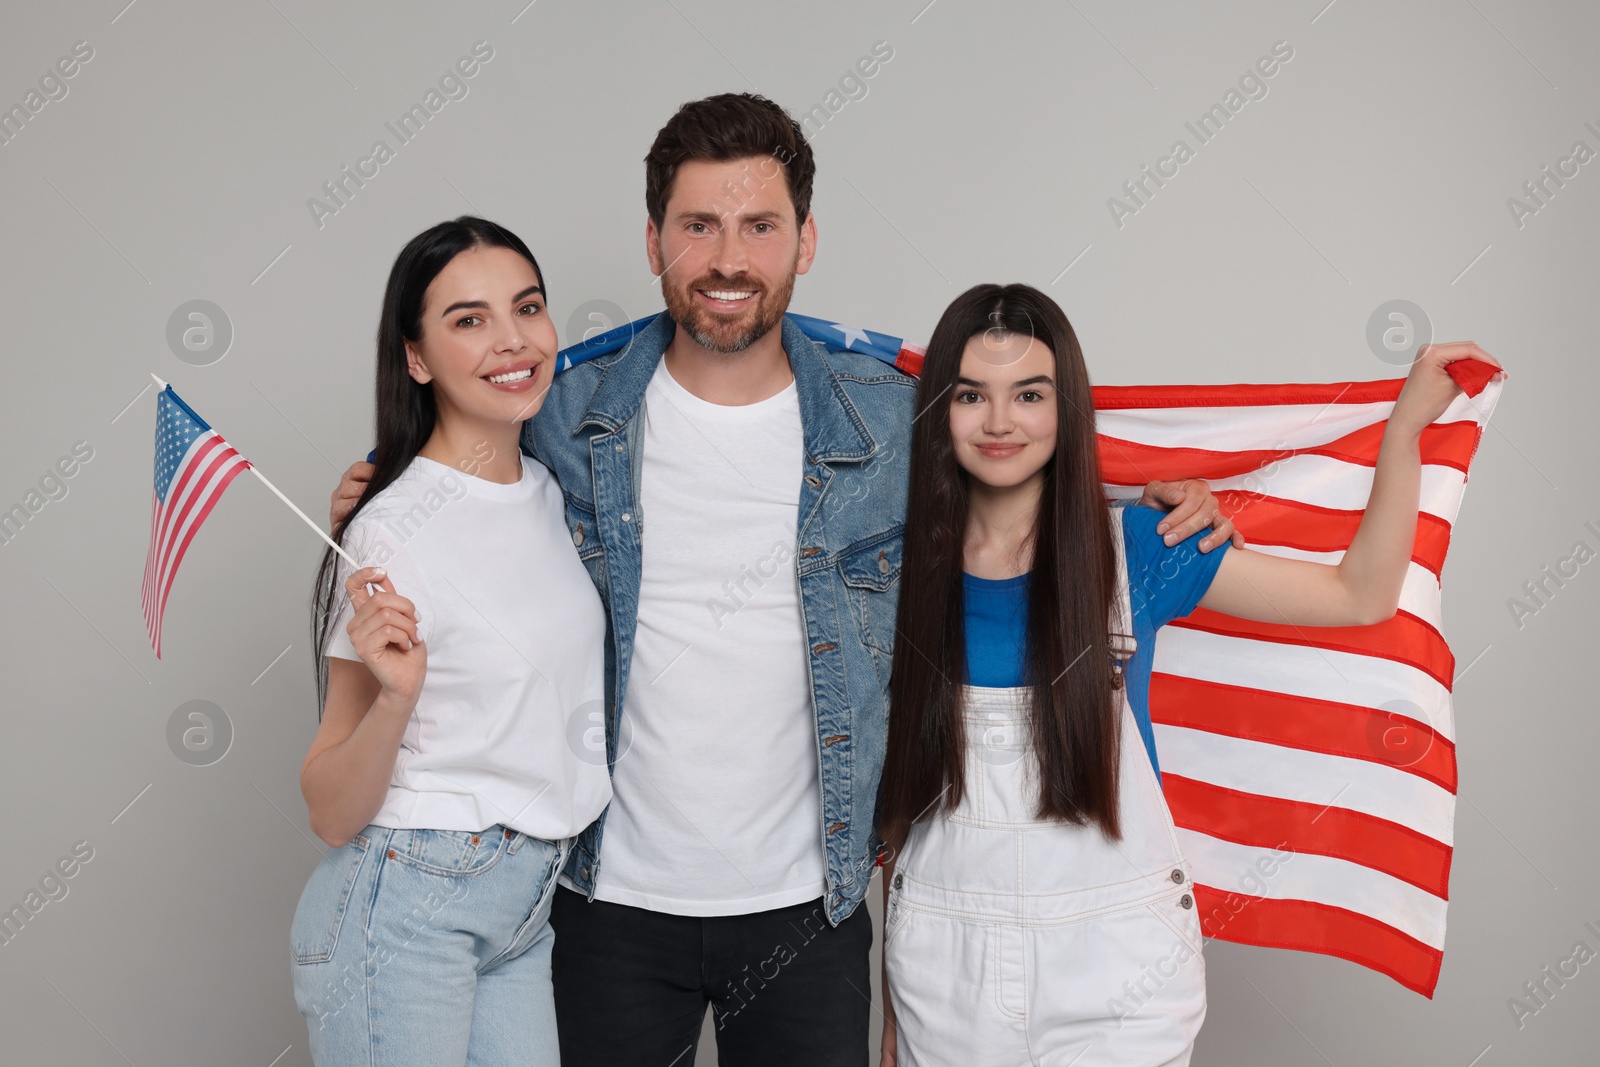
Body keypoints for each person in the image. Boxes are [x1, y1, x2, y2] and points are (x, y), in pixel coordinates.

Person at [331, 94, 1236, 1066]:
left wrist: (1144, 494)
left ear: (805, 240)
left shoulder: (891, 420)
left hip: (810, 907)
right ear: (653, 242)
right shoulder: (568, 409)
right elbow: (462, 453)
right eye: (698, 226)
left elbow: (1017, 459)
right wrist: (384, 487)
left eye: (759, 225)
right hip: (607, 901)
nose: (728, 258)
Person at [874, 283, 1503, 1067]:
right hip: (944, 969)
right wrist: (899, 992)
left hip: (1118, 973)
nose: (1000, 421)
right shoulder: (892, 574)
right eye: (972, 394)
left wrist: (1404, 428)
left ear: (1066, 409)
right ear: (941, 407)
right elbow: (905, 797)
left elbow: (1359, 594)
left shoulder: (1141, 545)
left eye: (1029, 394)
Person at [291, 217, 610, 1066]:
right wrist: (396, 696)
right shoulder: (390, 529)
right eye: (469, 319)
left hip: (523, 905)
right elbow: (329, 806)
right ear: (417, 357)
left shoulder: (552, 490)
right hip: (407, 899)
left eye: (528, 307)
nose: (512, 340)